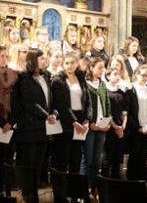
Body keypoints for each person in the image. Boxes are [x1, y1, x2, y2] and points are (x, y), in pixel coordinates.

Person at [12, 49, 57, 201]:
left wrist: (54, 114)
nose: (45, 61)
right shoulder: (24, 78)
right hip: (30, 127)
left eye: (45, 58)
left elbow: (50, 100)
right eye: (42, 59)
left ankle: (34, 193)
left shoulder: (47, 76)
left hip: (45, 127)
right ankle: (28, 195)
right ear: (33, 60)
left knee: (39, 164)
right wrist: (46, 115)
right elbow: (28, 102)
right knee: (29, 164)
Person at [51, 53, 91, 174]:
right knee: (63, 159)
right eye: (67, 63)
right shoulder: (58, 80)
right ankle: (61, 190)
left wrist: (87, 120)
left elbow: (88, 102)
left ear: (77, 64)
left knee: (76, 158)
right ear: (63, 65)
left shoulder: (81, 78)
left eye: (72, 63)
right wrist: (74, 122)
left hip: (81, 119)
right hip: (66, 122)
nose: (69, 66)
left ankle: (74, 190)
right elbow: (61, 105)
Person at [126, 65, 147, 181]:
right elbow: (128, 112)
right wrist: (137, 127)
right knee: (135, 154)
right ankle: (133, 179)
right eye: (142, 75)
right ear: (136, 74)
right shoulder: (130, 90)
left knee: (144, 154)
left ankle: (143, 177)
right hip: (135, 128)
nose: (145, 77)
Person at [84, 57, 111, 197]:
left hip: (102, 126)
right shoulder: (86, 84)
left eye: (103, 68)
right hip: (90, 127)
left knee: (97, 159)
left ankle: (94, 187)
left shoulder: (102, 84)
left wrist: (107, 122)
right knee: (88, 159)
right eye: (99, 67)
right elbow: (85, 106)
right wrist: (90, 122)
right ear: (91, 68)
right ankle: (85, 187)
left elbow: (106, 105)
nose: (102, 71)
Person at [102, 68, 128, 179]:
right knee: (109, 155)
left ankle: (116, 179)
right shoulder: (105, 91)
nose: (117, 76)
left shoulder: (121, 92)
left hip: (120, 128)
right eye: (115, 74)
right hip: (109, 127)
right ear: (108, 76)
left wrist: (123, 127)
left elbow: (124, 112)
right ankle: (105, 180)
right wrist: (115, 126)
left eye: (119, 74)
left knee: (118, 155)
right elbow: (106, 112)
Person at [0, 46, 18, 194]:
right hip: (0, 122)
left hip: (10, 121)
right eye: (1, 56)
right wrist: (1, 123)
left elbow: (17, 101)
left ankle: (7, 188)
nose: (4, 58)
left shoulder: (14, 75)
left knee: (8, 157)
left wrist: (10, 121)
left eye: (6, 56)